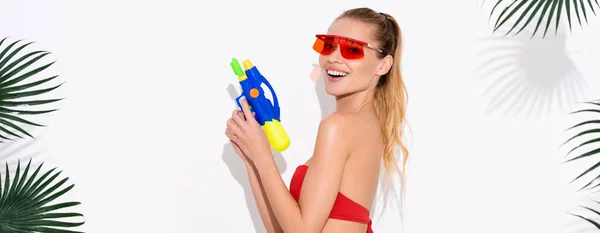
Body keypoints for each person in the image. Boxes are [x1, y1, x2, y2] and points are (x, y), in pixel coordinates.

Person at [225, 7, 409, 233]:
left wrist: (262, 155)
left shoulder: (339, 126)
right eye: (329, 45)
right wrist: (251, 159)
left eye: (352, 49)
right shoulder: (367, 124)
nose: (333, 57)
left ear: (383, 65)